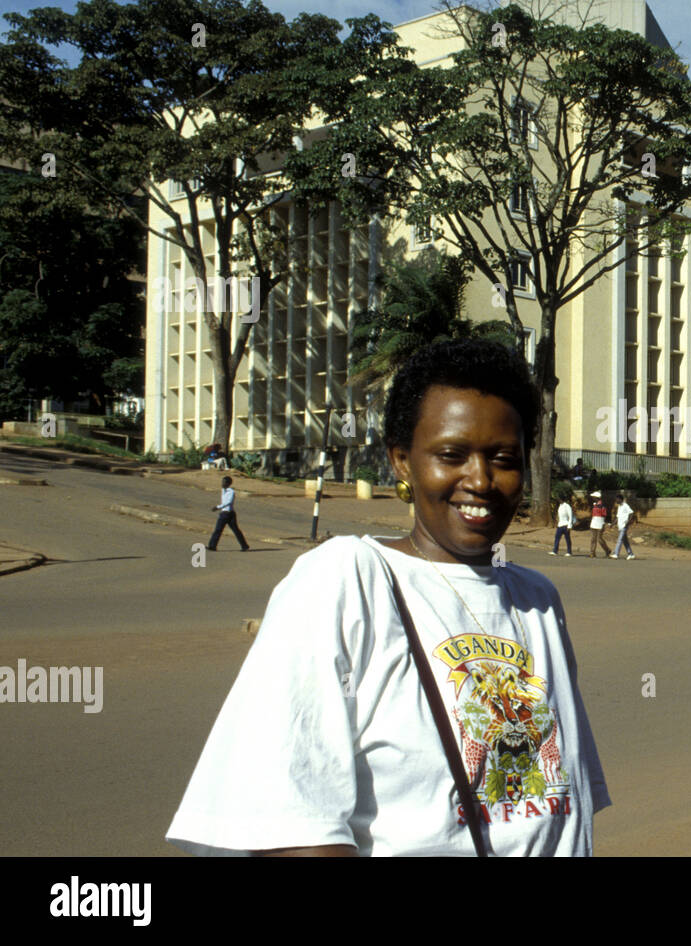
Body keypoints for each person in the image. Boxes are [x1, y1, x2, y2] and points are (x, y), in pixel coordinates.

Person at [167, 338, 610, 856]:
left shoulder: (537, 601)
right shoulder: (345, 579)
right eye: (452, 455)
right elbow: (288, 826)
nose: (481, 480)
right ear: (402, 460)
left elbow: (563, 806)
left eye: (503, 459)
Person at [206, 475, 249, 551]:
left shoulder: (231, 492)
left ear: (229, 483)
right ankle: (244, 546)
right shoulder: (223, 490)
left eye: (224, 482)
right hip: (227, 513)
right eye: (222, 481)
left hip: (227, 514)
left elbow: (228, 502)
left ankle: (212, 546)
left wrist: (218, 507)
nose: (222, 483)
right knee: (232, 530)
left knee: (220, 529)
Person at [588, 491, 612, 559]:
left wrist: (603, 524)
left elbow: (604, 515)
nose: (593, 498)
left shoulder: (602, 506)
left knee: (599, 539)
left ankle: (607, 550)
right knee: (593, 539)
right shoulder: (594, 505)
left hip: (600, 523)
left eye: (594, 497)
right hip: (593, 523)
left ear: (596, 498)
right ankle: (592, 553)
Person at [612, 494, 636, 560]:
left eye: (617, 499)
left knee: (619, 540)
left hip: (624, 526)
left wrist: (628, 522)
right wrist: (613, 523)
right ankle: (631, 554)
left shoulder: (625, 505)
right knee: (625, 541)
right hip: (620, 526)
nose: (616, 500)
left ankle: (616, 554)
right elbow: (618, 516)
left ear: (620, 499)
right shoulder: (619, 507)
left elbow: (631, 513)